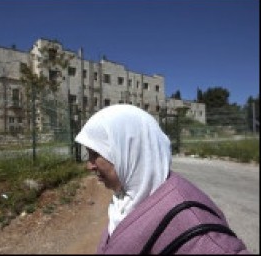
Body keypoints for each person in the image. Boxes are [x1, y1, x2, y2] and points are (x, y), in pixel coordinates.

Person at [75, 104, 250, 254]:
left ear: (128, 150)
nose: (89, 165)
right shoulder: (129, 196)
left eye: (95, 154)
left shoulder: (191, 221)